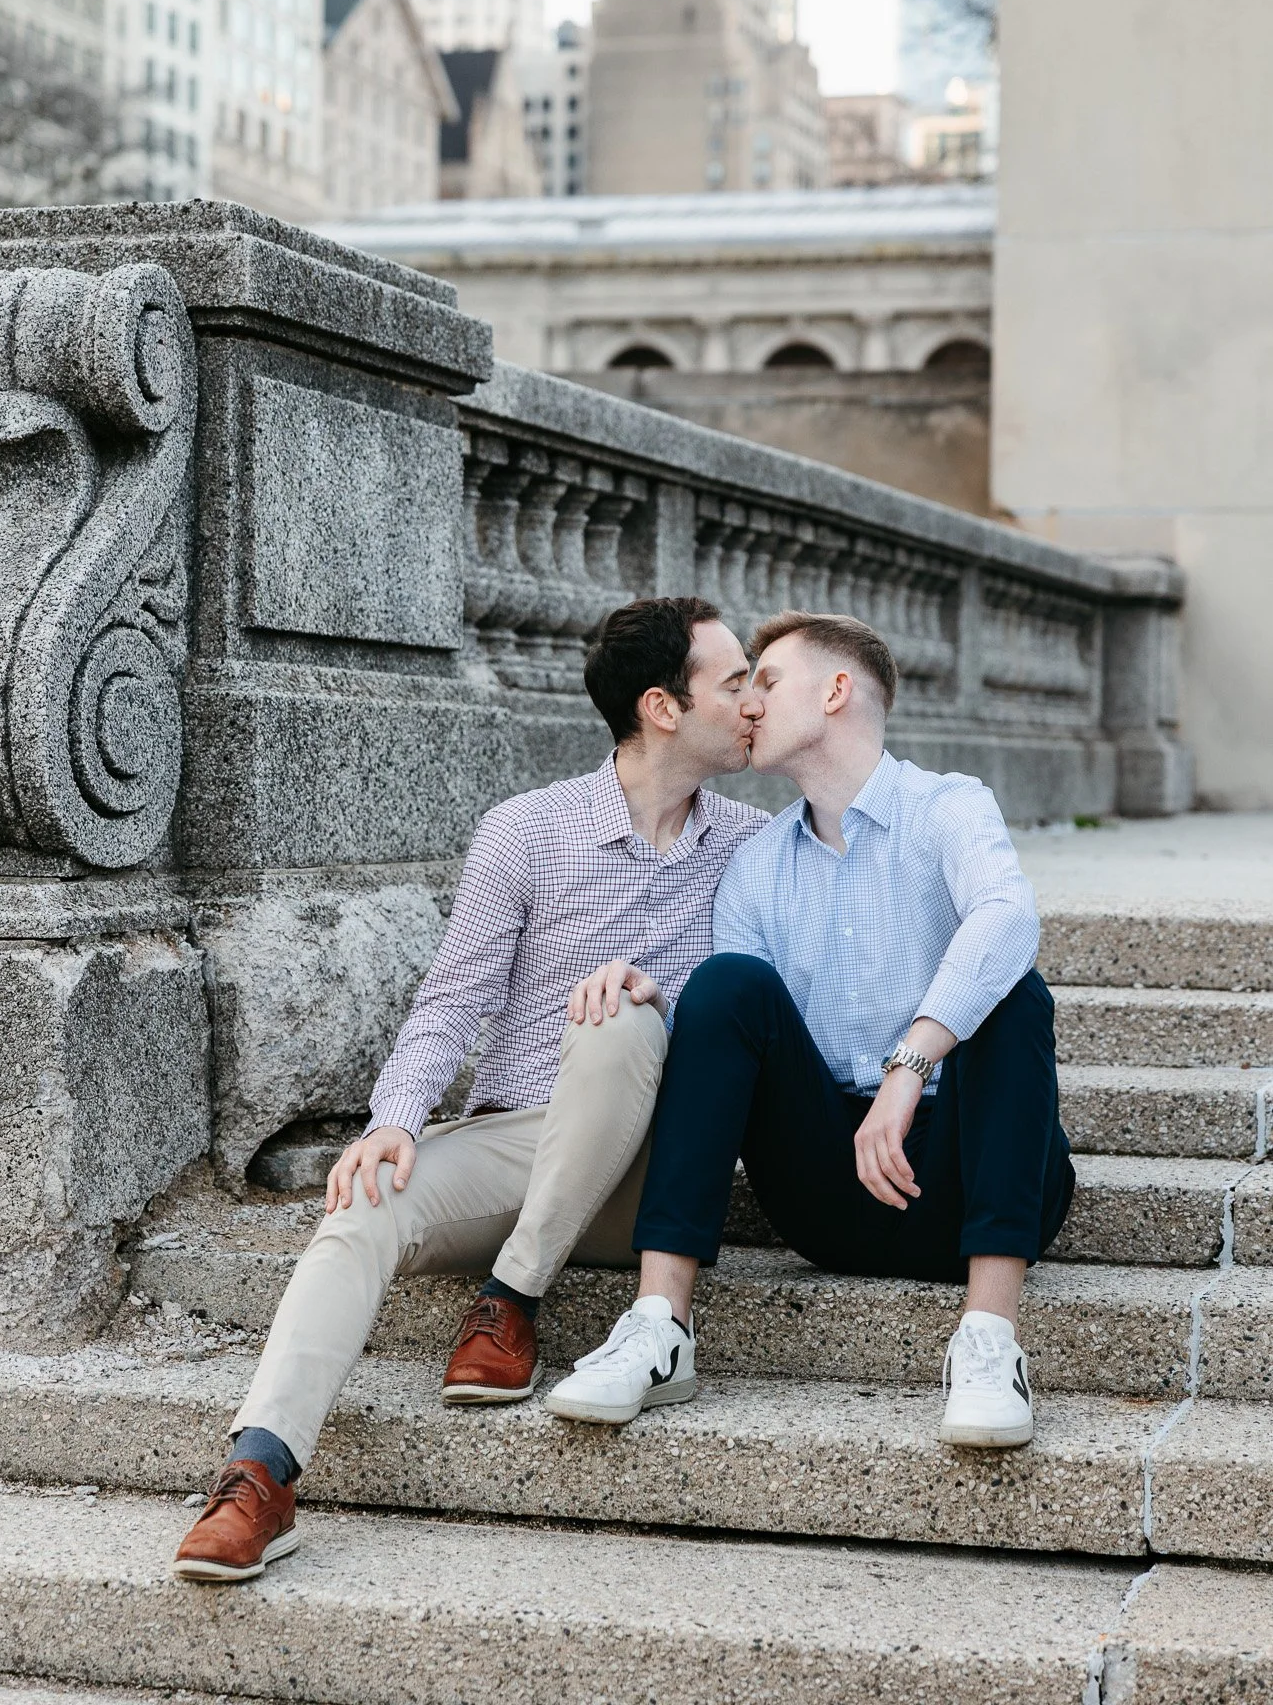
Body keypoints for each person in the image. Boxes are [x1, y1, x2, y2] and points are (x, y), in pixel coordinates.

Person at [173, 595, 766, 1581]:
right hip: (519, 1140)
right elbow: (450, 1001)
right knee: (362, 1205)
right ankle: (258, 1474)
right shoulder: (527, 830)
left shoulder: (753, 843)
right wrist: (394, 1120)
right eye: (736, 680)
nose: (754, 701)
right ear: (663, 705)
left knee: (621, 1011)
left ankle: (512, 1295)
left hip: (656, 1174)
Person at [548, 610, 1074, 1449]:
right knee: (725, 986)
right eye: (741, 684)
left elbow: (1006, 917)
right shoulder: (756, 865)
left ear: (835, 691)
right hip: (829, 1189)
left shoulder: (947, 807)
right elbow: (734, 1045)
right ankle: (658, 1326)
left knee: (1015, 993)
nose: (746, 704)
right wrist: (660, 994)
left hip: (975, 1171)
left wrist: (908, 1067)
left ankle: (989, 1340)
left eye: (765, 681)